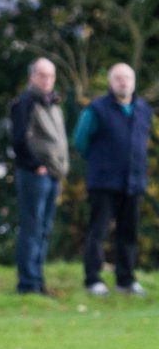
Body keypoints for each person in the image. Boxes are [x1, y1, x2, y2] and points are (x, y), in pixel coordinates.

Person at [73, 63, 153, 296]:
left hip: (134, 182)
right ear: (110, 82)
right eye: (118, 78)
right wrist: (101, 163)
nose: (123, 82)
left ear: (134, 81)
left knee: (128, 233)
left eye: (127, 78)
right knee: (98, 232)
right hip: (104, 182)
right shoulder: (96, 109)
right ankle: (93, 279)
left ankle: (126, 280)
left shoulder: (143, 109)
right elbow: (80, 141)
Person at [9, 57, 69, 295]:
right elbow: (19, 139)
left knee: (44, 229)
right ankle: (28, 282)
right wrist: (36, 165)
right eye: (42, 75)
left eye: (51, 75)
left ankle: (38, 279)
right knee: (32, 227)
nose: (47, 80)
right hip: (35, 175)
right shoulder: (25, 102)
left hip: (53, 174)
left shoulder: (52, 103)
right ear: (32, 76)